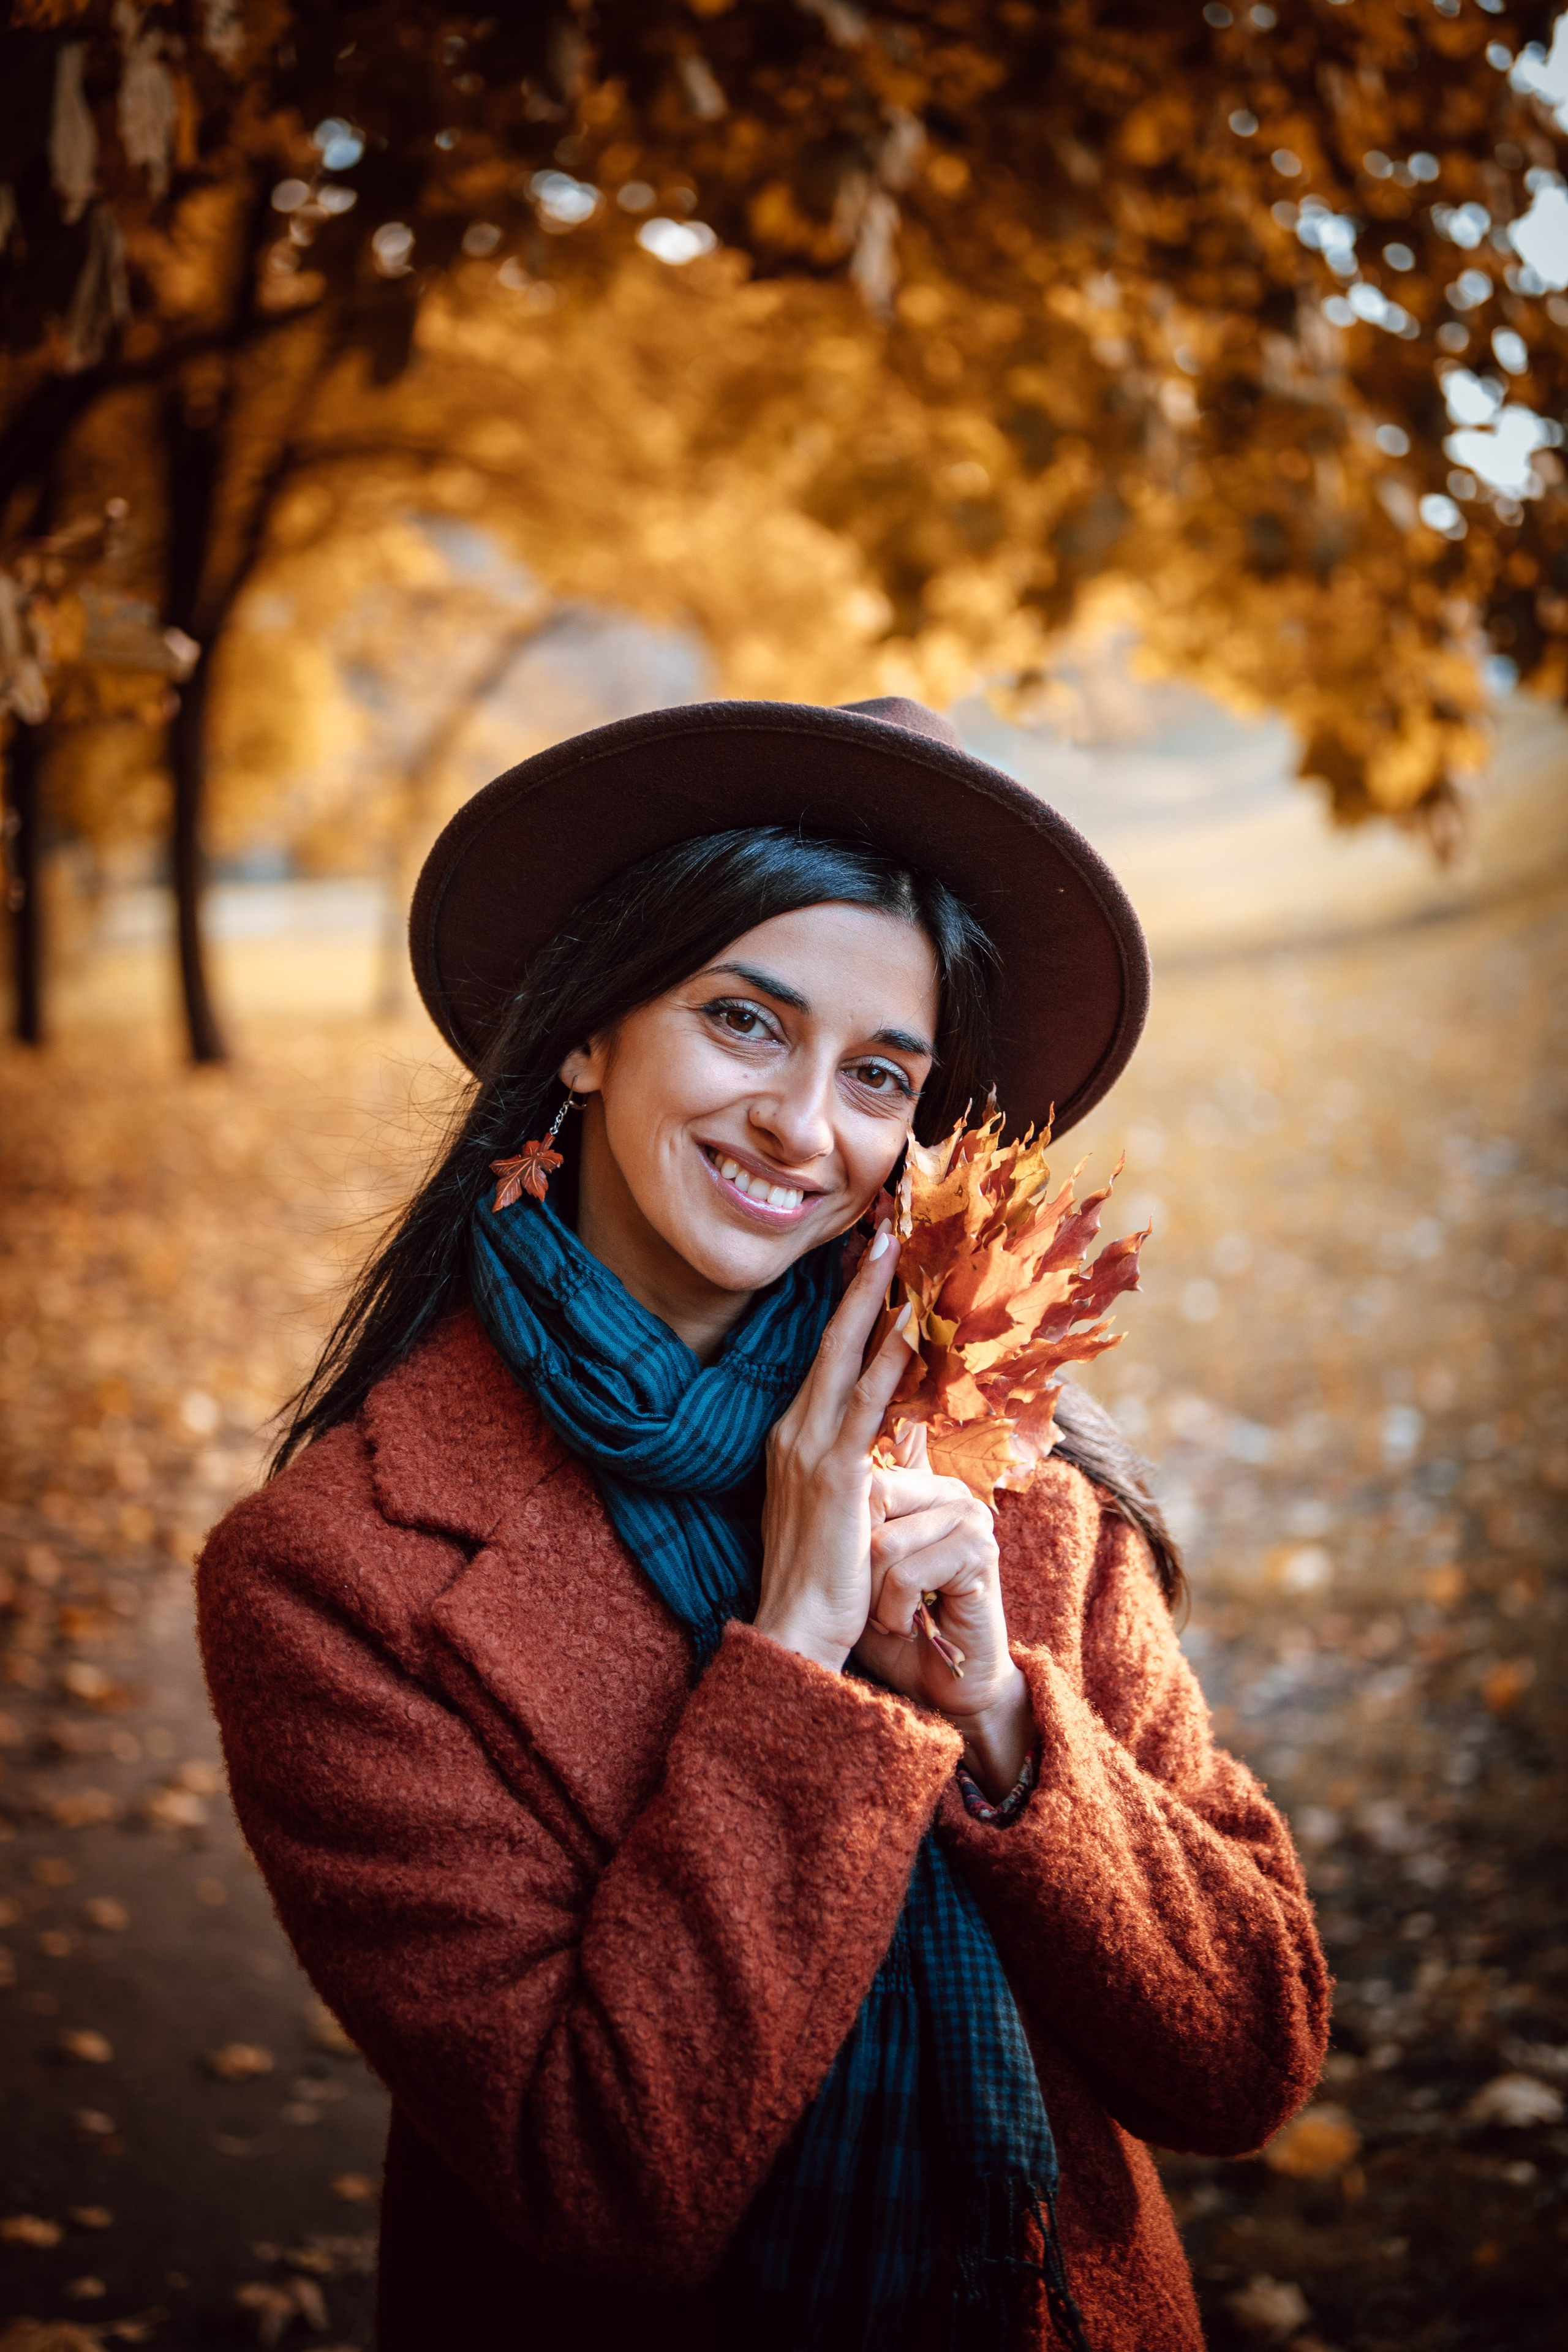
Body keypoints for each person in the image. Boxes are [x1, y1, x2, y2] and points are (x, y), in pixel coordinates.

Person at [197, 697, 1329, 2352]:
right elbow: (607, 2183)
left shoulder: (1017, 1481)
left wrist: (1002, 1722)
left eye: (878, 1074)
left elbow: (1248, 2057)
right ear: (588, 1033)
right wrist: (798, 1660)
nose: (803, 1127)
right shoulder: (333, 1579)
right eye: (744, 1021)